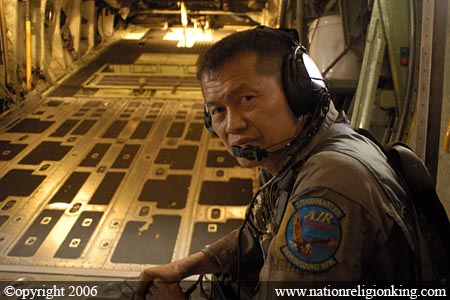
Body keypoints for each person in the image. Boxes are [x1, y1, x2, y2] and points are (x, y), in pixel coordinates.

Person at [134, 26, 440, 300]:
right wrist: (184, 266)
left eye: (247, 99)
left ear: (301, 92)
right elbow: (263, 232)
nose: (231, 126)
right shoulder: (313, 148)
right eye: (217, 110)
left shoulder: (329, 184)